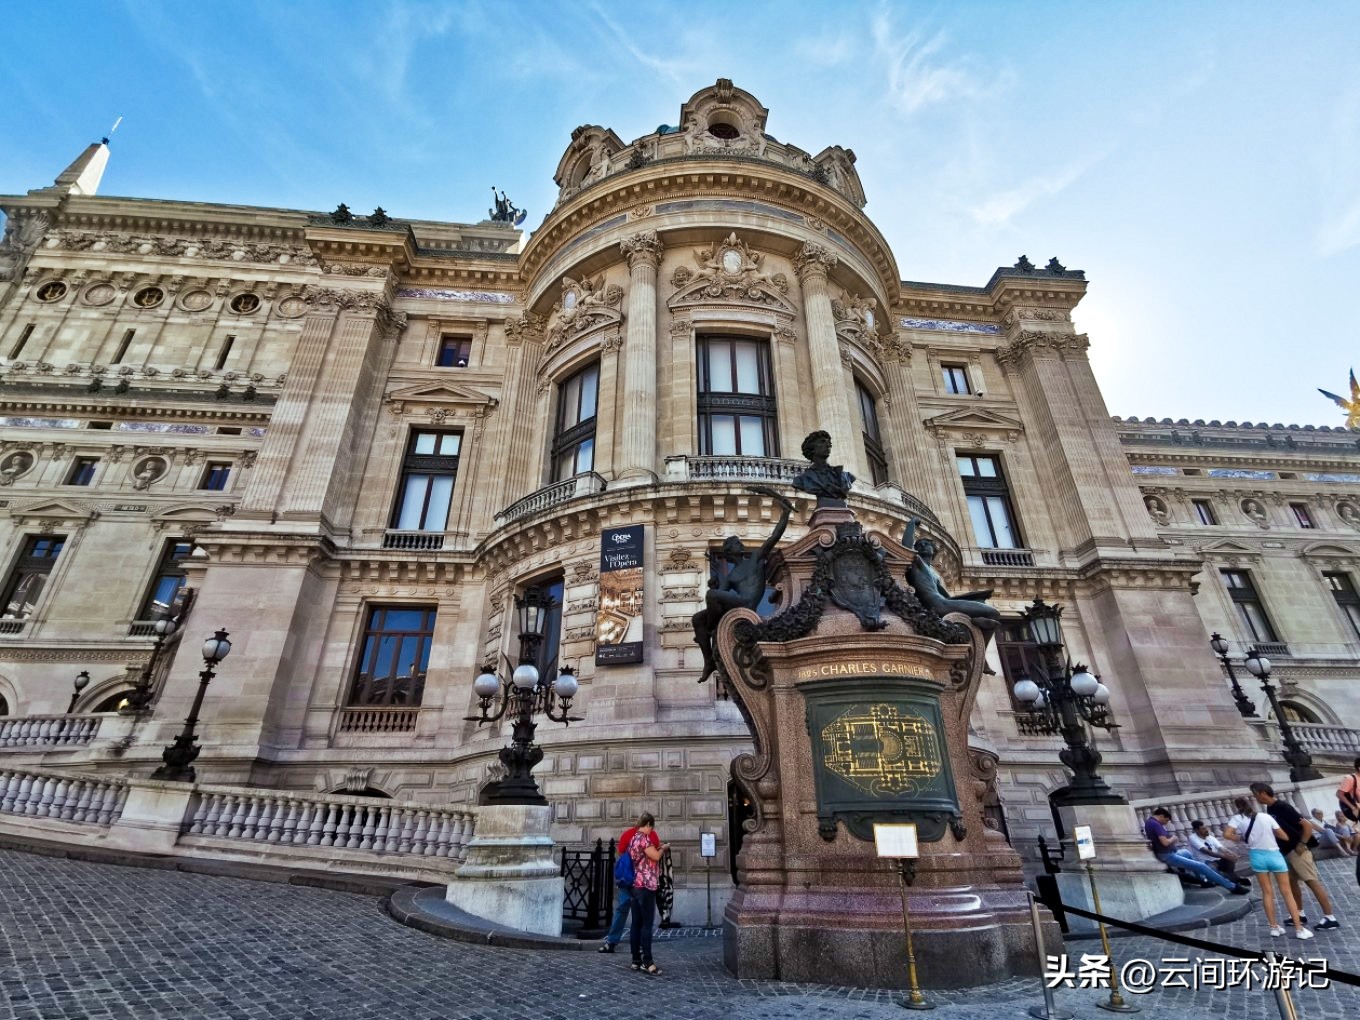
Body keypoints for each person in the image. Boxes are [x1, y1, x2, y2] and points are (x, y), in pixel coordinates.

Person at [1251, 782, 1341, 931]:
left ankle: (1330, 917)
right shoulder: (1271, 808)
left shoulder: (1283, 807)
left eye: (1255, 794)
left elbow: (1307, 825)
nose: (1254, 798)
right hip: (1286, 851)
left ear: (1262, 793)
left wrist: (1302, 844)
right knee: (1292, 883)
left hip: (1298, 850)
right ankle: (1299, 914)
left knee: (1311, 881)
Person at [1225, 795, 1310, 939]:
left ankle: (1274, 927)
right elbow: (1284, 837)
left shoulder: (1237, 819)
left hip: (1257, 856)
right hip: (1274, 854)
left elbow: (1227, 834)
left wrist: (1242, 837)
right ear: (1252, 804)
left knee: (1267, 893)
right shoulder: (1266, 817)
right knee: (1287, 892)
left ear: (1237, 806)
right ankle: (1299, 929)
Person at [1143, 808, 1249, 895]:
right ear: (1161, 816)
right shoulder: (1156, 824)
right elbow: (1165, 843)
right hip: (1168, 855)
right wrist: (1173, 838)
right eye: (1166, 821)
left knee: (1186, 852)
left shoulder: (1149, 822)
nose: (1166, 823)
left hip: (1169, 853)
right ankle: (1232, 887)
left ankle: (1203, 881)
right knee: (1201, 866)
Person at [598, 820, 661, 953]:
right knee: (643, 917)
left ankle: (611, 942)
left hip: (627, 879)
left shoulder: (627, 834)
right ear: (648, 825)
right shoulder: (652, 836)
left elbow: (621, 852)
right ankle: (641, 947)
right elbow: (655, 856)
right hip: (643, 882)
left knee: (622, 909)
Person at [625, 813, 668, 975]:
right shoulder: (644, 838)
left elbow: (644, 856)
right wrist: (663, 848)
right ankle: (647, 962)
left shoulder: (634, 838)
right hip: (646, 885)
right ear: (648, 824)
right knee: (646, 925)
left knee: (636, 924)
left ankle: (636, 960)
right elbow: (655, 856)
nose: (652, 830)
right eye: (652, 827)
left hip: (635, 885)